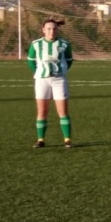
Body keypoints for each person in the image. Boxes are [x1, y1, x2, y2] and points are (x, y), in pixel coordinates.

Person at [27, 18, 74, 148]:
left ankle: (67, 139)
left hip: (59, 80)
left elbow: (69, 60)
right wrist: (38, 72)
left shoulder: (64, 44)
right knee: (42, 111)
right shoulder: (36, 44)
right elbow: (31, 61)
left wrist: (61, 70)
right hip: (42, 80)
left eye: (54, 29)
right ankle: (41, 140)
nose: (51, 31)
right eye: (48, 29)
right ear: (43, 30)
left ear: (57, 30)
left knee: (63, 111)